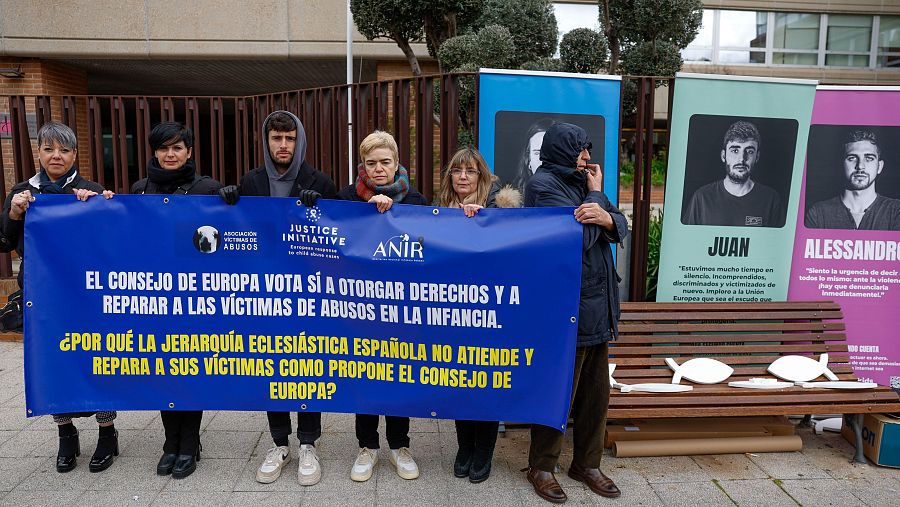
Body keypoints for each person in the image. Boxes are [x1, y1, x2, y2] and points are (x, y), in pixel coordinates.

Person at [221, 110, 336, 486]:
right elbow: (237, 236)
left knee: (308, 366)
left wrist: (323, 209)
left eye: (289, 138)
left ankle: (308, 444)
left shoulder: (319, 180)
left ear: (299, 140)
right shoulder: (251, 181)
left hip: (309, 295)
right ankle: (279, 442)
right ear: (266, 141)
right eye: (276, 138)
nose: (283, 145)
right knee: (271, 365)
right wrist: (229, 204)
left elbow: (338, 237)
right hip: (265, 294)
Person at [0, 121, 116, 473]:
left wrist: (102, 207)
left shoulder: (90, 189)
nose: (56, 156)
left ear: (75, 155)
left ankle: (107, 433)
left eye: (64, 150)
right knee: (52, 361)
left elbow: (109, 243)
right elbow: (5, 242)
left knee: (97, 358)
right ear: (39, 152)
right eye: (49, 149)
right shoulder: (23, 192)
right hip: (43, 295)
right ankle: (66, 435)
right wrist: (14, 213)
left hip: (87, 295)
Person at [523, 122, 627, 504]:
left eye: (587, 149)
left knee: (595, 396)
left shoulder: (585, 187)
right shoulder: (543, 186)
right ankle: (542, 466)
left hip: (599, 307)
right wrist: (599, 202)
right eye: (581, 150)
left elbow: (621, 226)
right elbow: (576, 240)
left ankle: (586, 463)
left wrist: (601, 211)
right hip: (565, 309)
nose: (587, 157)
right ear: (563, 151)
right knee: (559, 393)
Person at [132, 121, 225, 479]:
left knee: (191, 372)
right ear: (154, 152)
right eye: (163, 148)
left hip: (197, 299)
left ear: (189, 151)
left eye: (178, 147)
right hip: (155, 298)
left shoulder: (208, 188)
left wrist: (231, 203)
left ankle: (190, 442)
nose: (170, 154)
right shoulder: (140, 190)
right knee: (162, 371)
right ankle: (170, 443)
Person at [335, 130, 426, 482]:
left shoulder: (416, 199)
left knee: (398, 374)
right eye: (370, 163)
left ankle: (400, 445)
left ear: (397, 162)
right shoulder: (345, 198)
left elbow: (428, 242)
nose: (378, 169)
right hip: (358, 305)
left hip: (401, 306)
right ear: (362, 165)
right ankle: (367, 446)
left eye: (385, 162)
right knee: (364, 375)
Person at [436, 147, 521, 483]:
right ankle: (464, 447)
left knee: (485, 381)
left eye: (470, 171)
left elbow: (518, 244)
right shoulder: (438, 209)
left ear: (482, 176)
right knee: (459, 381)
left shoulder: (501, 206)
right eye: (457, 171)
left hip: (491, 312)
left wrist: (489, 221)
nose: (463, 178)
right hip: (454, 311)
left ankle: (484, 451)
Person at [683, 120, 785, 227]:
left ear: (757, 157)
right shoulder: (702, 197)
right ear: (723, 156)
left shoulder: (771, 199)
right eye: (735, 150)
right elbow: (687, 240)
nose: (741, 159)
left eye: (749, 151)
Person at [805, 129, 900, 230]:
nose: (860, 166)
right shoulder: (818, 213)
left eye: (869, 158)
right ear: (841, 165)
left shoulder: (895, 211)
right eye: (852, 158)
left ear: (879, 167)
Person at [512, 119, 554, 192]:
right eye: (537, 153)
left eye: (551, 153)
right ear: (528, 160)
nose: (543, 161)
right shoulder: (511, 201)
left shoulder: (577, 198)